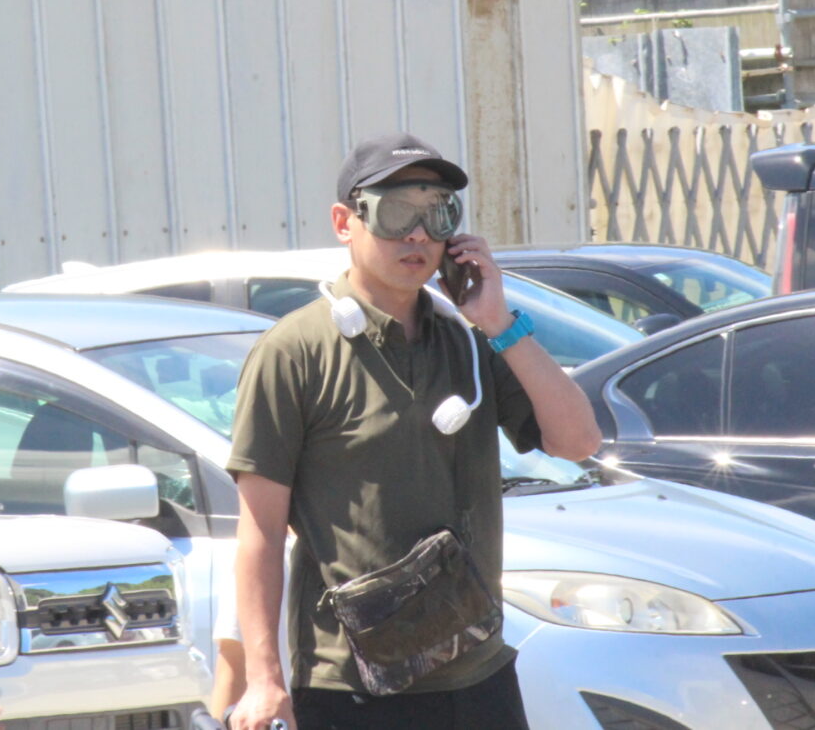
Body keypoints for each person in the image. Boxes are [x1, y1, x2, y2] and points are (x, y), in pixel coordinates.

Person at [226, 132, 603, 730]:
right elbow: (260, 533)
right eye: (396, 213)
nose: (419, 235)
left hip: (477, 675)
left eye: (438, 213)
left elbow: (578, 441)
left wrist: (499, 322)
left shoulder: (470, 342)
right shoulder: (294, 352)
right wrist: (264, 679)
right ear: (345, 222)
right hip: (351, 687)